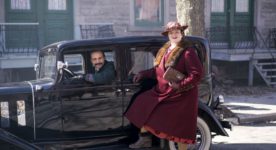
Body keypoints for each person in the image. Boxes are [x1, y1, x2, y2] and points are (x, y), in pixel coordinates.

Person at [124, 21, 204, 150]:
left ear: (182, 34)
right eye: (171, 32)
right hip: (163, 91)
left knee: (180, 129)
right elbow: (158, 70)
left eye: (177, 32)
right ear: (168, 35)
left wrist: (180, 85)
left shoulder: (188, 52)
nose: (174, 34)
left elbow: (196, 74)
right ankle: (145, 138)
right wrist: (143, 74)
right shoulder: (165, 49)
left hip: (181, 95)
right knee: (141, 104)